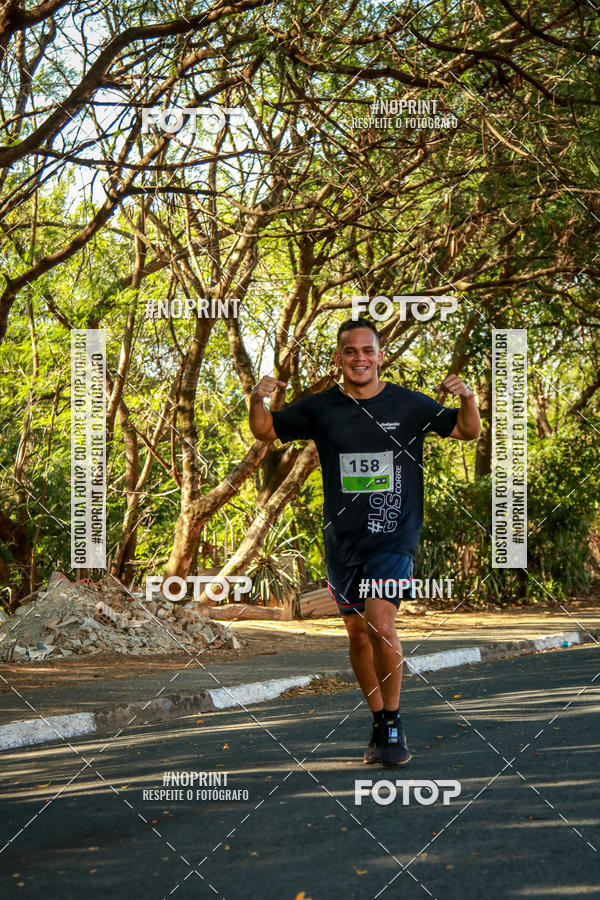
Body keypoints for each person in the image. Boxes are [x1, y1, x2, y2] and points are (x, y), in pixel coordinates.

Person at [249, 318, 480, 766]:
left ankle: (393, 721)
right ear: (338, 359)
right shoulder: (321, 408)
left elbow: (467, 432)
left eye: (367, 350)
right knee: (357, 635)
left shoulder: (409, 404)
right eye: (350, 351)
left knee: (381, 623)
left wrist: (468, 398)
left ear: (380, 356)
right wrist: (257, 397)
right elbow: (266, 431)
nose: (360, 358)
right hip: (343, 539)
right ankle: (377, 718)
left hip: (395, 533)